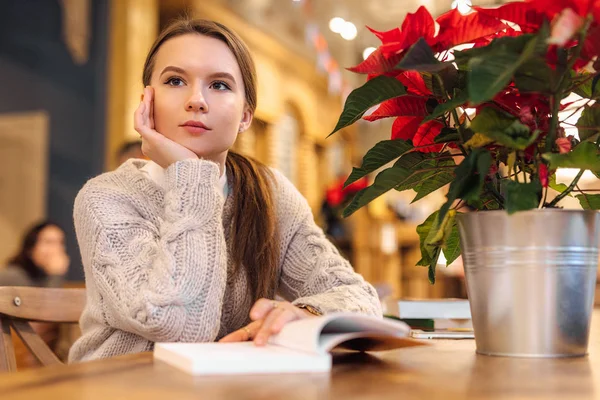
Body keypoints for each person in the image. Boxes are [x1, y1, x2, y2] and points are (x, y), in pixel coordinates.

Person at [69, 18, 381, 363]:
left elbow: (360, 298)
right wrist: (189, 174)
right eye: (175, 80)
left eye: (219, 85)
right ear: (147, 101)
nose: (196, 100)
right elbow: (180, 326)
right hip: (120, 387)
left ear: (246, 115)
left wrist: (307, 311)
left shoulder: (271, 194)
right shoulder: (105, 198)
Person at [0, 221, 70, 287]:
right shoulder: (13, 276)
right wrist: (56, 274)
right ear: (30, 248)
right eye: (49, 242)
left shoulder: (43, 276)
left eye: (61, 243)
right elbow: (46, 299)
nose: (57, 249)